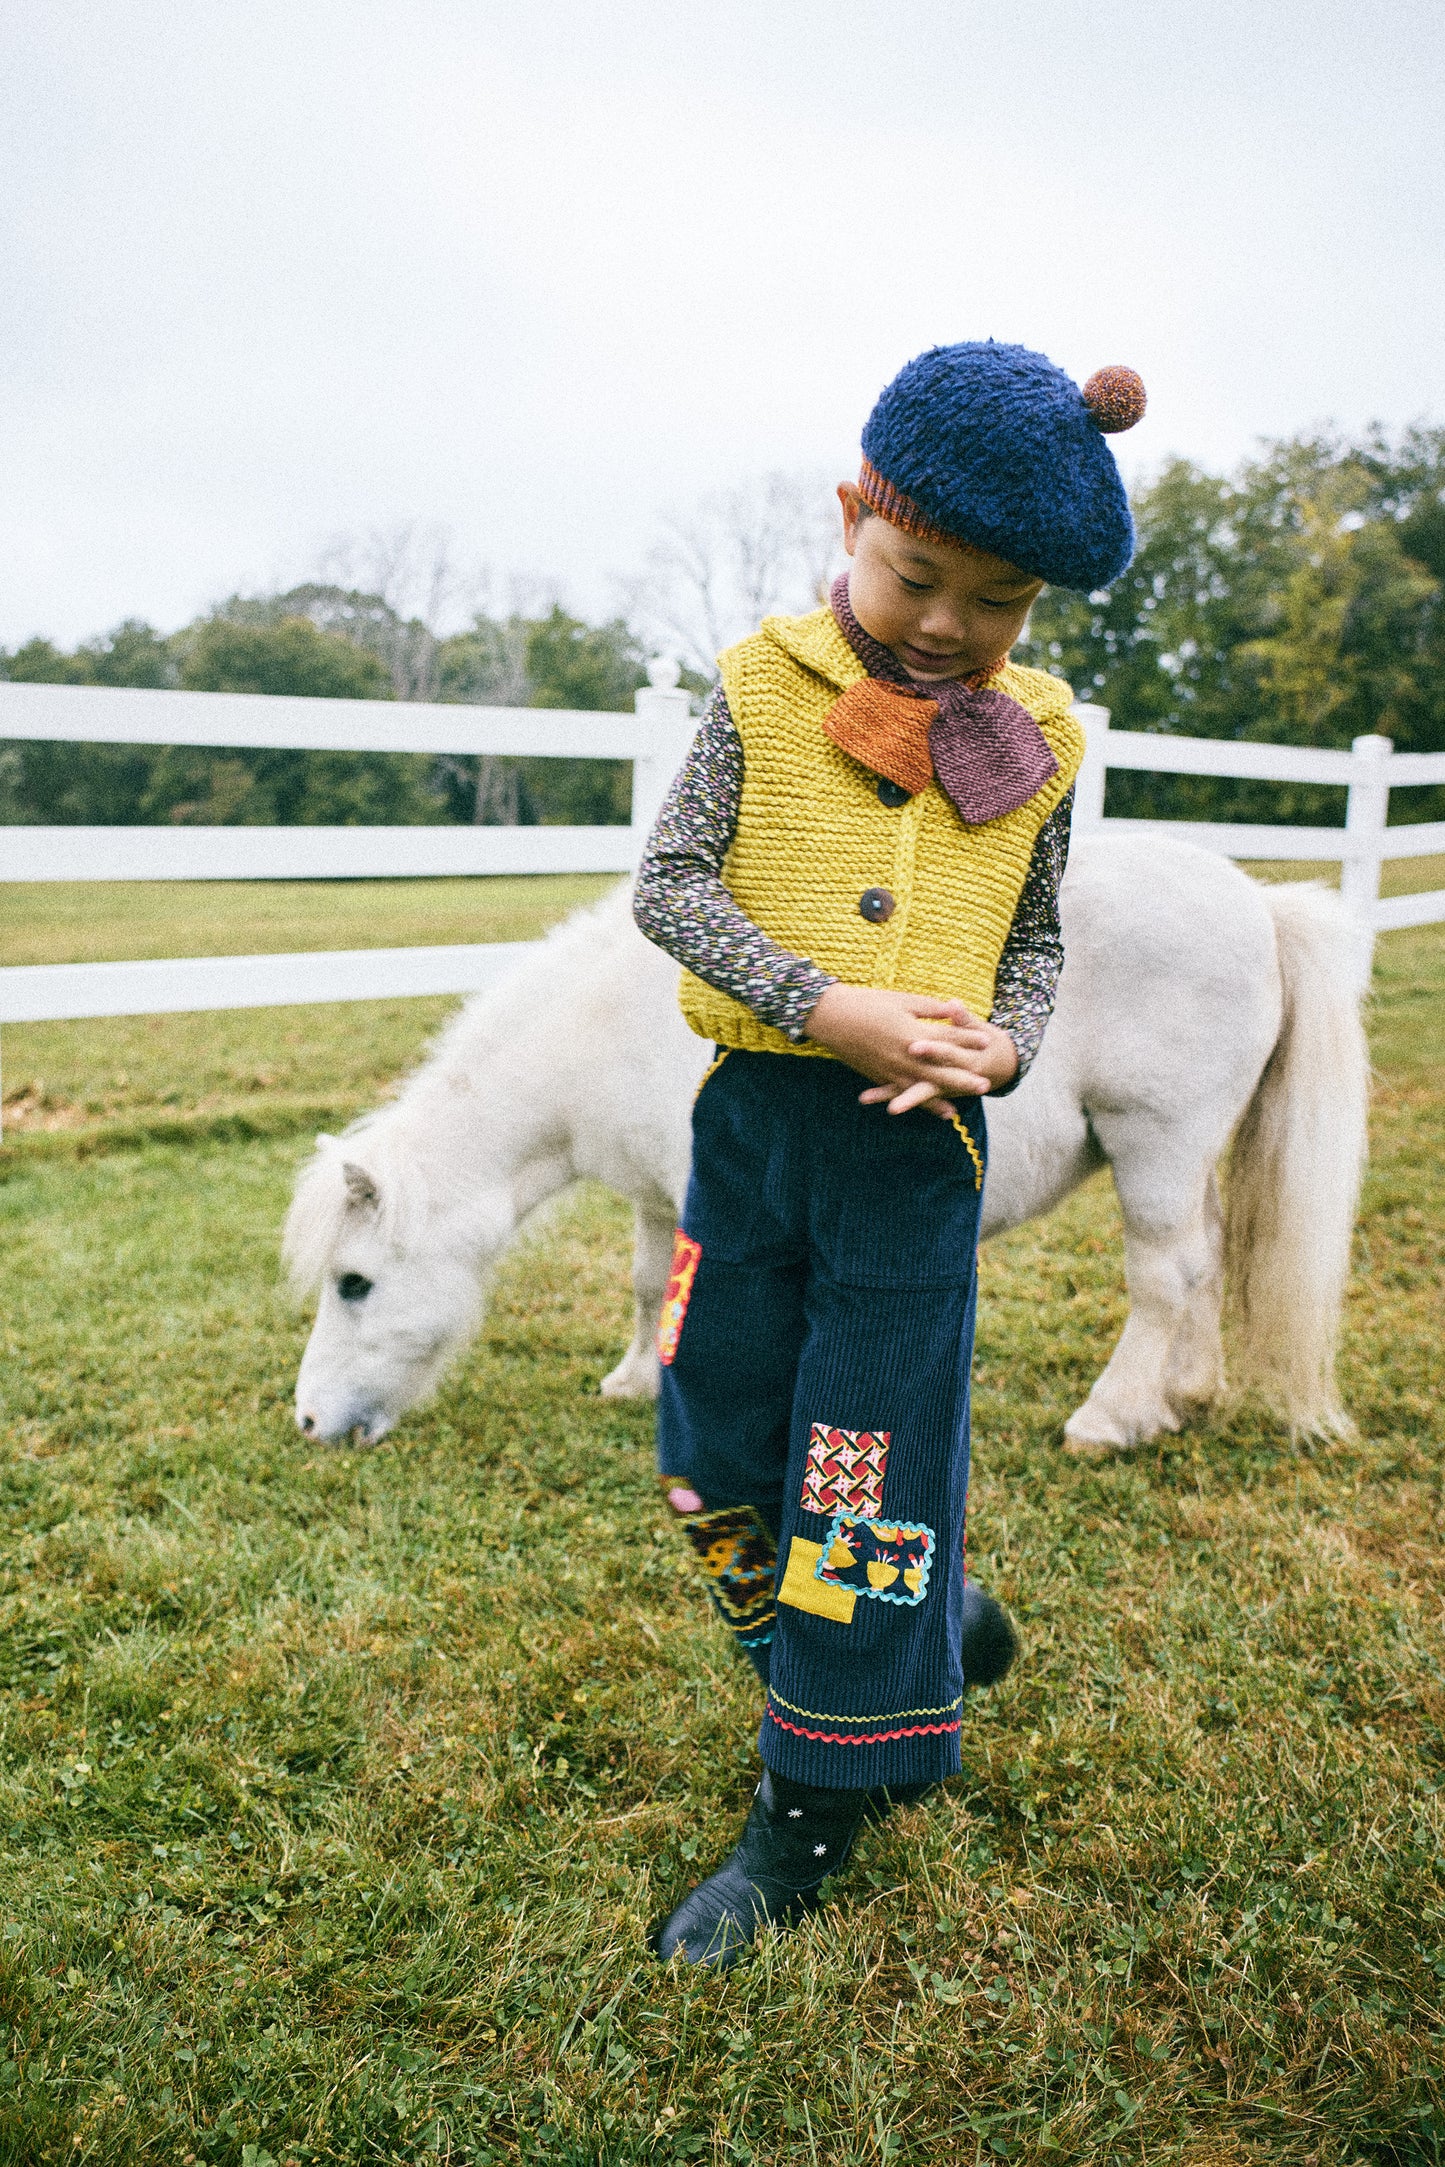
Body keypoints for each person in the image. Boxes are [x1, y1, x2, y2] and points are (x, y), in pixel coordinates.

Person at [632, 341, 1147, 1968]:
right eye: (918, 576)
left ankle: (809, 1804)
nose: (947, 625)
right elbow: (671, 890)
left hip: (912, 1164)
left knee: (859, 1479)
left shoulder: (1044, 738)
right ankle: (937, 1627)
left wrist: (1005, 1044)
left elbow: (1037, 943)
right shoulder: (759, 685)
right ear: (855, 514)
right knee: (710, 1437)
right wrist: (820, 1002)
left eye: (995, 602)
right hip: (755, 1125)